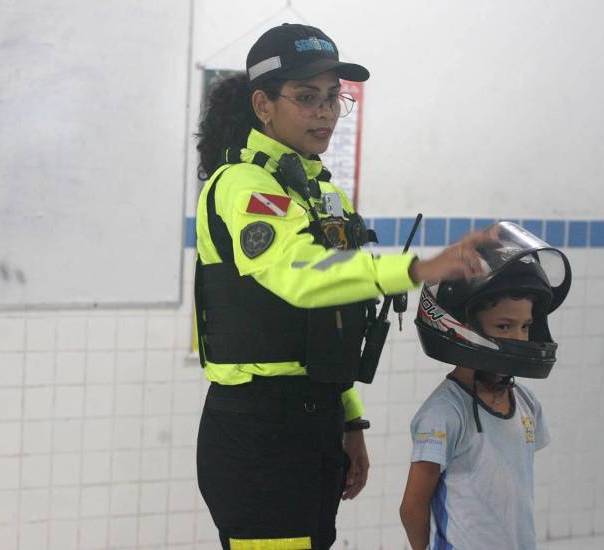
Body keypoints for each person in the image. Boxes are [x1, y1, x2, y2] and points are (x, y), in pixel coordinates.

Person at [193, 22, 491, 550]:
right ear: (263, 105)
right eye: (307, 97)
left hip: (317, 420)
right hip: (260, 430)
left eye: (334, 97)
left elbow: (325, 323)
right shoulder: (244, 185)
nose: (326, 112)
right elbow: (300, 277)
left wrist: (350, 422)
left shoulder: (320, 193)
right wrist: (415, 269)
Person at [400, 222, 572, 550]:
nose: (519, 338)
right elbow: (412, 507)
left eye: (525, 326)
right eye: (504, 326)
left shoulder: (526, 404)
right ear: (465, 327)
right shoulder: (443, 413)